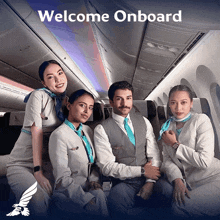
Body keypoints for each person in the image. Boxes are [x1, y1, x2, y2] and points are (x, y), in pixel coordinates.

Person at [6, 60, 68, 217]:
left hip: (47, 164)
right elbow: (36, 131)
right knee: (38, 204)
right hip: (24, 163)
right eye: (51, 77)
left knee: (61, 202)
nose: (58, 79)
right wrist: (38, 171)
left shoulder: (66, 102)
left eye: (60, 73)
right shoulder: (38, 95)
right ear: (44, 83)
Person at [94, 81, 161, 218]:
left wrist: (150, 182)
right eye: (119, 99)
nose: (125, 103)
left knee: (171, 192)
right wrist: (142, 171)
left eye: (128, 98)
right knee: (115, 203)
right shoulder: (101, 129)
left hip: (151, 178)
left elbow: (154, 153)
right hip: (125, 182)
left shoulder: (144, 121)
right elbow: (107, 167)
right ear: (111, 102)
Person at [159, 85, 220, 218]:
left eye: (183, 102)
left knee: (179, 206)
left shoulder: (201, 120)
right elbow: (167, 161)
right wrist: (177, 179)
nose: (178, 108)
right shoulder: (167, 127)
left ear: (191, 103)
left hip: (214, 178)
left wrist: (175, 144)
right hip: (191, 182)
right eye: (173, 103)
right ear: (169, 104)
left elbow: (204, 161)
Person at [49, 89, 108, 219]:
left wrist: (93, 182)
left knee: (100, 195)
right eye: (82, 105)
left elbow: (92, 164)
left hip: (87, 187)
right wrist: (85, 199)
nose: (87, 111)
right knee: (96, 204)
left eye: (90, 107)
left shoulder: (88, 130)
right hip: (68, 194)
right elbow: (61, 179)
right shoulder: (59, 135)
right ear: (69, 105)